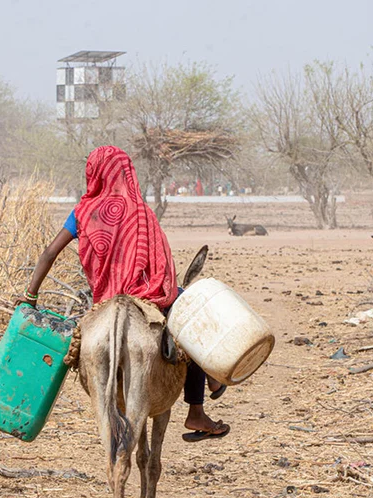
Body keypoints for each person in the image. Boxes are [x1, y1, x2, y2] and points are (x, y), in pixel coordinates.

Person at [21, 145, 230, 441]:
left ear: (94, 174)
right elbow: (159, 261)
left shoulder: (82, 212)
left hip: (106, 298)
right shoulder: (141, 211)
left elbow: (50, 253)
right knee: (189, 313)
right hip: (147, 293)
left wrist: (30, 296)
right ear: (126, 173)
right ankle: (197, 408)